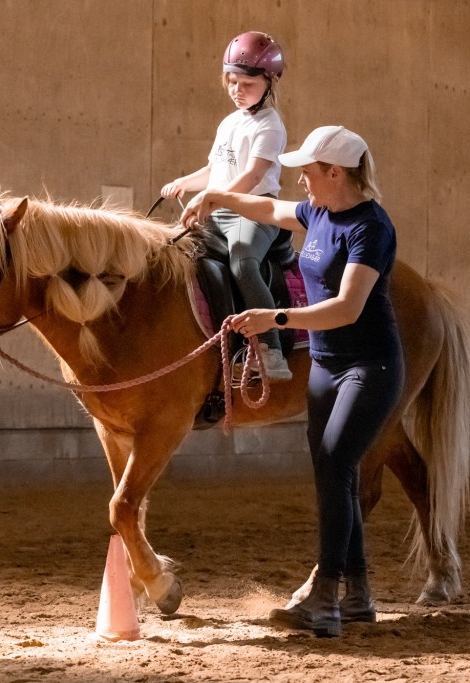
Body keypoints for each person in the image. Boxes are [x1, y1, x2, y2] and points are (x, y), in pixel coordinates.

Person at [180, 125, 404, 637]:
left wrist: (274, 318)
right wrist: (217, 194)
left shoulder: (371, 227)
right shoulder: (317, 213)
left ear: (335, 172)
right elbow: (268, 211)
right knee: (332, 469)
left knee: (336, 466)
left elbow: (348, 308)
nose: (300, 179)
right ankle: (358, 594)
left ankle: (326, 597)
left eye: (309, 170)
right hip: (326, 366)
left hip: (370, 366)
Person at [161, 31, 292, 380]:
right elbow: (212, 170)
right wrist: (184, 184)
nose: (237, 89)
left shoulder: (270, 126)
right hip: (216, 210)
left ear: (269, 81)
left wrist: (212, 197)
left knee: (243, 262)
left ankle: (271, 348)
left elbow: (251, 177)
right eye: (232, 81)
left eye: (247, 82)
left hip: (254, 211)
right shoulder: (229, 122)